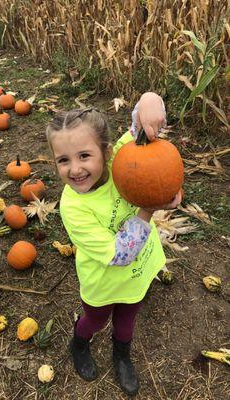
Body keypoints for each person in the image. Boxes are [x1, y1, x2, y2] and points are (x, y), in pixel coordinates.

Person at [45, 92, 182, 396]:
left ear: (106, 152)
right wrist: (150, 207)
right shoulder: (73, 208)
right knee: (95, 319)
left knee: (127, 318)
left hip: (138, 271)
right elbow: (119, 254)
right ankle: (79, 343)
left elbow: (140, 123)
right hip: (103, 280)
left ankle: (122, 355)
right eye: (63, 160)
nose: (75, 169)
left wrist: (150, 101)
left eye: (84, 156)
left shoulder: (123, 155)